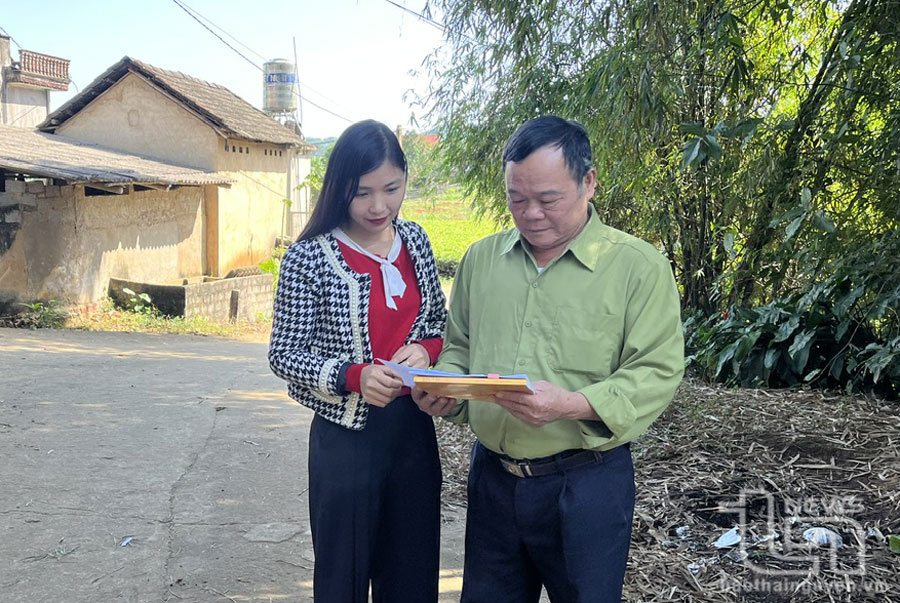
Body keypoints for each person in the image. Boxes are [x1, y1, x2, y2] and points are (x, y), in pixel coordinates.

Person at [413, 115, 684, 602]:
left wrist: (571, 404)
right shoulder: (482, 260)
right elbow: (460, 346)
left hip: (585, 484)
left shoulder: (637, 268)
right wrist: (446, 387)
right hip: (494, 481)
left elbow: (655, 370)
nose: (531, 213)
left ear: (589, 182)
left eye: (548, 199)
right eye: (517, 198)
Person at [269, 119, 446, 603]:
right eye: (362, 192)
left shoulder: (415, 242)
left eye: (392, 188)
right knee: (342, 576)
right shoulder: (309, 257)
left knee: (412, 571)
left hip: (412, 431)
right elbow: (285, 354)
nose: (378, 206)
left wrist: (427, 350)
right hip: (345, 440)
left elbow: (438, 322)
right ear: (339, 187)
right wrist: (354, 375)